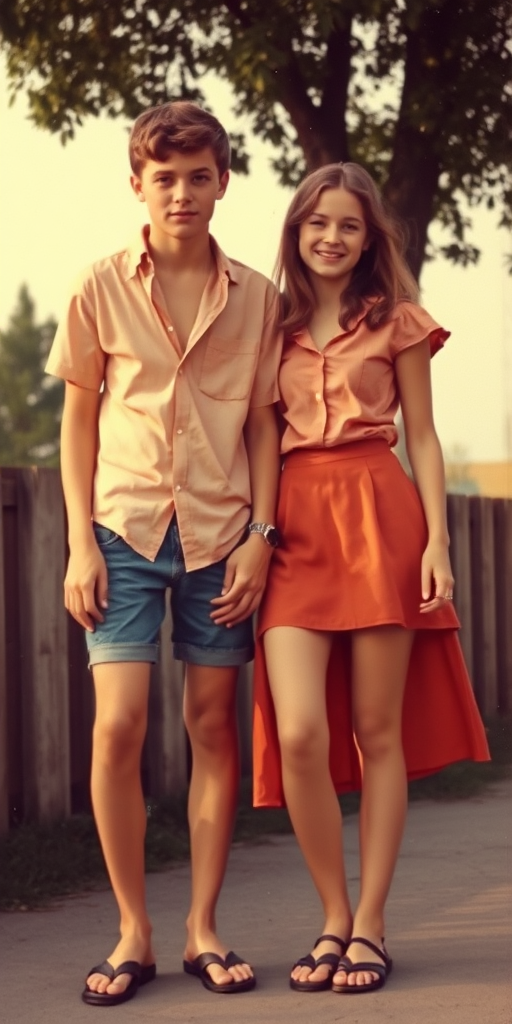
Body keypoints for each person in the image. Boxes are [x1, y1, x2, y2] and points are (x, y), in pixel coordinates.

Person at [46, 100, 282, 1006]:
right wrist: (78, 545)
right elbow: (77, 424)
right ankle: (133, 931)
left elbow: (264, 425)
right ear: (137, 186)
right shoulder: (97, 286)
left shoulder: (259, 296)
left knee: (214, 728)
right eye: (163, 178)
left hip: (224, 537)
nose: (181, 192)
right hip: (123, 533)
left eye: (198, 176)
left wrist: (261, 538)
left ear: (222, 182)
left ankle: (202, 928)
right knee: (119, 726)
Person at [252, 162, 490, 995]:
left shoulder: (397, 323)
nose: (332, 237)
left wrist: (438, 542)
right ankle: (330, 914)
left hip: (379, 517)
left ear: (369, 237)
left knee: (376, 732)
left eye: (349, 225)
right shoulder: (266, 326)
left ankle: (371, 926)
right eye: (318, 222)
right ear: (297, 230)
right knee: (302, 734)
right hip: (293, 529)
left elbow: (422, 437)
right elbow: (254, 436)